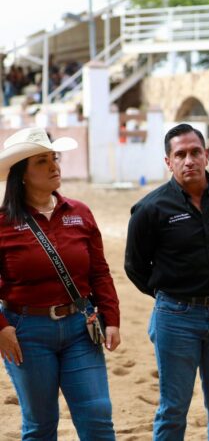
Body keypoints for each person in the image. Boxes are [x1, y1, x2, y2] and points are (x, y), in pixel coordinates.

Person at [124, 123, 209, 440]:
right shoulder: (150, 208)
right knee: (173, 409)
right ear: (169, 162)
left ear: (206, 156)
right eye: (180, 154)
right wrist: (171, 296)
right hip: (176, 318)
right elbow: (135, 266)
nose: (189, 160)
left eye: (195, 152)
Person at [0, 127, 121, 440]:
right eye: (42, 161)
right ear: (21, 175)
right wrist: (1, 327)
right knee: (40, 425)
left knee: (97, 417)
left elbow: (100, 272)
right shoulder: (2, 223)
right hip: (26, 333)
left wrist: (111, 318)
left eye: (54, 158)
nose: (54, 166)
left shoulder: (80, 213)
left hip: (81, 326)